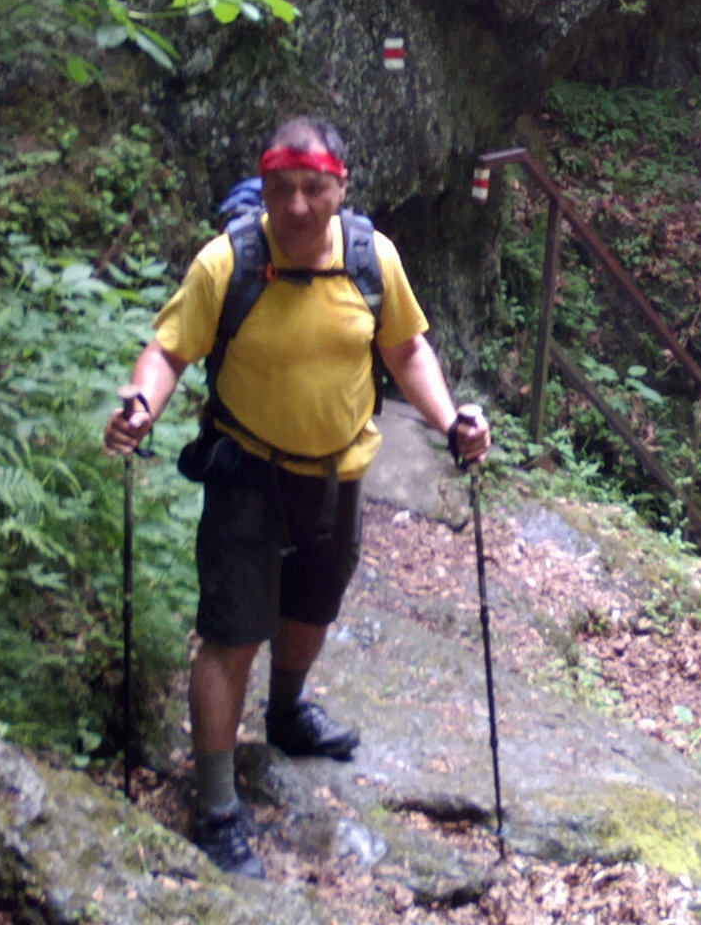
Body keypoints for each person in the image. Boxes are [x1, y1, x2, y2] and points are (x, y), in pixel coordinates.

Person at [104, 116, 490, 879]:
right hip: (246, 472)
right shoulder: (228, 263)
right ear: (265, 188)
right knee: (231, 635)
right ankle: (216, 807)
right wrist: (142, 406)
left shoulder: (373, 261)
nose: (298, 206)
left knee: (312, 610)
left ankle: (285, 714)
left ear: (342, 188)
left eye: (314, 189)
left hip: (336, 477)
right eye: (281, 189)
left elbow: (405, 349)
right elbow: (169, 351)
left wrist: (452, 423)